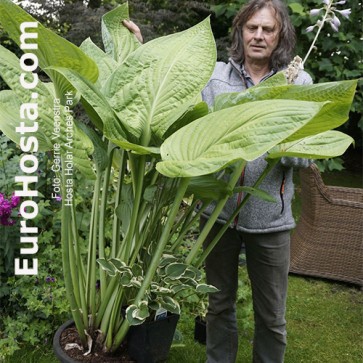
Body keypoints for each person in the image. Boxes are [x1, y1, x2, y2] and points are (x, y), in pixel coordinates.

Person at [124, 1, 312, 362]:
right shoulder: (214, 77)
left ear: (280, 35)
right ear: (240, 31)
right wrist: (142, 49)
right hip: (218, 215)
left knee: (272, 315)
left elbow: (306, 152)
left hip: (270, 220)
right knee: (219, 305)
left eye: (267, 29)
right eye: (251, 27)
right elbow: (173, 97)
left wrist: (278, 142)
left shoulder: (296, 81)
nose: (258, 36)